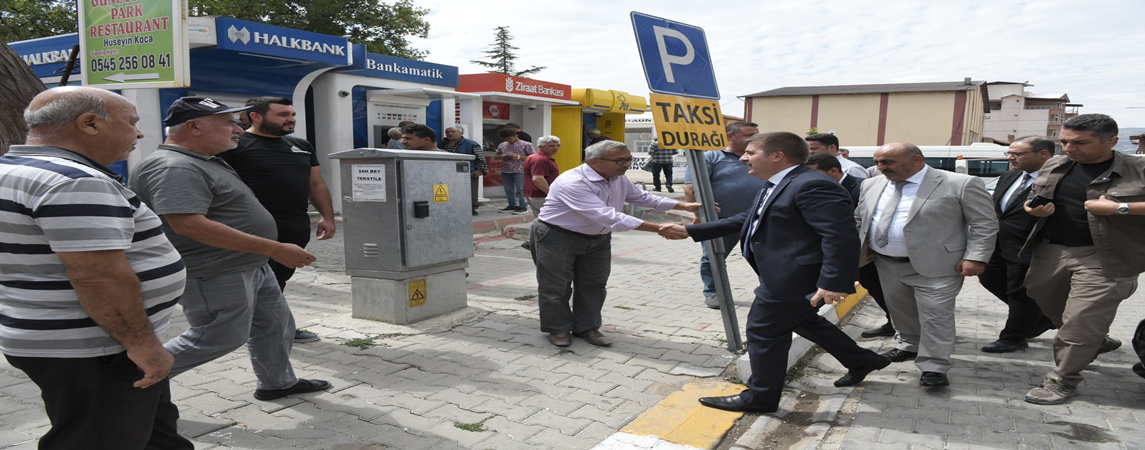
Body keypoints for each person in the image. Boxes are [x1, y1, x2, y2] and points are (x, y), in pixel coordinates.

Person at [0, 87, 193, 450]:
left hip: (64, 339)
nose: (139, 134)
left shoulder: (14, 169)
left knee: (156, 434)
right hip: (99, 348)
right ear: (88, 124)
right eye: (131, 123)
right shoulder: (75, 181)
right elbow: (98, 278)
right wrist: (143, 346)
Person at [660, 132, 889, 413]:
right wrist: (691, 230)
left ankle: (760, 397)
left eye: (750, 152)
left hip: (795, 277)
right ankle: (862, 360)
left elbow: (840, 237)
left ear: (777, 156)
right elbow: (748, 218)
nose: (743, 157)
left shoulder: (813, 185)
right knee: (804, 321)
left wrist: (834, 282)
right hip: (781, 273)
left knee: (763, 330)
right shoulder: (780, 182)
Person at [131, 96, 331, 402]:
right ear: (194, 126)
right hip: (215, 270)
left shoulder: (204, 159)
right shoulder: (173, 166)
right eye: (228, 123)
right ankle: (129, 384)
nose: (237, 129)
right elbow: (189, 225)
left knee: (276, 325)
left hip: (249, 264)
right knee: (218, 336)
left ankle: (278, 383)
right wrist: (274, 248)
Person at [1019, 113, 1145, 405]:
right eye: (1063, 141)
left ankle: (1063, 379)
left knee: (1079, 321)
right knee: (1041, 296)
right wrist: (1033, 208)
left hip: (1106, 255)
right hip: (1053, 250)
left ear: (1111, 141)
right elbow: (1034, 196)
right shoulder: (1056, 163)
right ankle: (1095, 341)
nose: (1069, 148)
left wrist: (1120, 208)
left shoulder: (1138, 168)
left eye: (1080, 142)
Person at [531, 140, 701, 347]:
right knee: (556, 286)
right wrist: (658, 228)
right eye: (620, 160)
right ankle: (557, 329)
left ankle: (587, 327)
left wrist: (684, 205)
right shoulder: (573, 182)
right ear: (594, 161)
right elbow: (609, 217)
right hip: (558, 236)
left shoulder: (617, 177)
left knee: (594, 284)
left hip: (598, 238)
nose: (627, 164)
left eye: (629, 159)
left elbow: (644, 198)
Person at [855, 142, 997, 387]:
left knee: (935, 317)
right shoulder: (872, 183)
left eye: (888, 162)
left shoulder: (959, 183)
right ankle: (909, 345)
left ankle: (934, 366)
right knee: (901, 311)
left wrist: (976, 256)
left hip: (939, 265)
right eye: (877, 161)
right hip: (886, 263)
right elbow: (861, 217)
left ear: (916, 160)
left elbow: (984, 223)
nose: (880, 167)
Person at [219, 96, 335, 344]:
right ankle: (262, 329)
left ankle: (274, 326)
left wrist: (327, 216)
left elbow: (315, 183)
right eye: (283, 115)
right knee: (254, 279)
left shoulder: (302, 145)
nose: (291, 119)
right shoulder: (235, 146)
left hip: (295, 223)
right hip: (253, 226)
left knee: (279, 278)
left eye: (292, 114)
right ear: (256, 116)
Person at [976, 136, 1057, 353]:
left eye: (1017, 154)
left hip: (1031, 247)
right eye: (1009, 153)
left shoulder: (1058, 180)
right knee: (988, 278)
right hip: (998, 244)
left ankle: (1013, 337)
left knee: (1020, 292)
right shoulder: (1010, 176)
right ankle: (1043, 318)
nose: (1010, 158)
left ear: (1043, 154)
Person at [684, 121, 767, 308]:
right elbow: (690, 188)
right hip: (722, 221)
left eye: (757, 134)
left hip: (760, 218)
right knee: (713, 257)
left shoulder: (761, 157)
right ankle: (713, 292)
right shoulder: (711, 156)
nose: (755, 138)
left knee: (768, 256)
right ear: (730, 136)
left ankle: (771, 292)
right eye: (749, 135)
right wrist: (698, 213)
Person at [441, 126, 488, 215]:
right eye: (447, 132)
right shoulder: (443, 144)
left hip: (468, 172)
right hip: (448, 173)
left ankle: (471, 209)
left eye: (453, 131)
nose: (450, 134)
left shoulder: (471, 144)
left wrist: (480, 170)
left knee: (470, 192)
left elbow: (480, 158)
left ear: (461, 133)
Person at [495, 128, 533, 214]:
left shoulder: (527, 144)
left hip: (521, 170)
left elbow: (532, 158)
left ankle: (523, 206)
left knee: (521, 189)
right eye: (505, 139)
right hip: (506, 169)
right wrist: (502, 156)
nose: (508, 141)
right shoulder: (502, 145)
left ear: (516, 135)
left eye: (509, 138)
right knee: (508, 189)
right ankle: (512, 205)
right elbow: (496, 156)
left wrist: (517, 157)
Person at [524, 135, 561, 217]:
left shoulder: (536, 157)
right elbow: (537, 179)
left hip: (537, 194)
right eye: (551, 146)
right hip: (541, 195)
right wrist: (551, 194)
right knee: (549, 221)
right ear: (541, 147)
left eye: (558, 145)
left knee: (541, 220)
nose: (556, 148)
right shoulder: (540, 159)